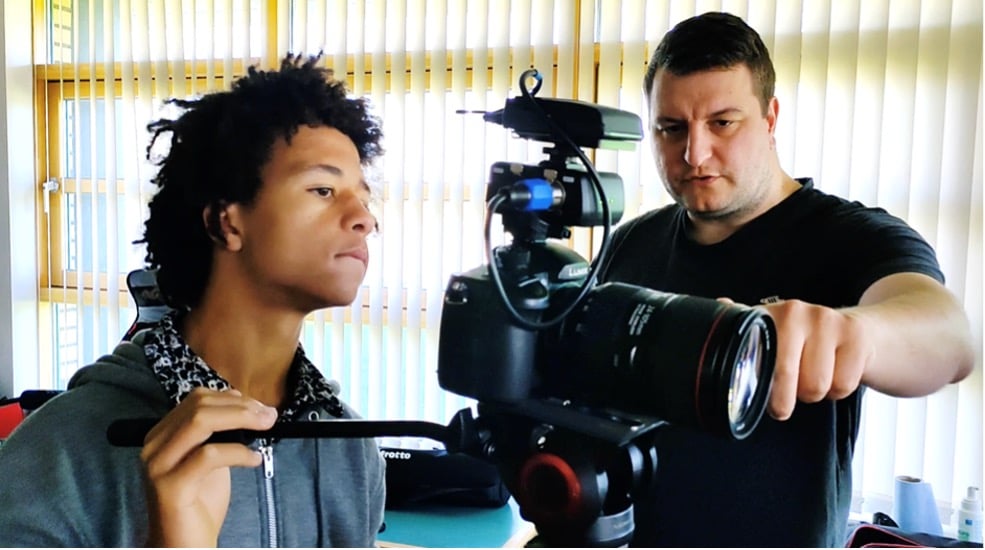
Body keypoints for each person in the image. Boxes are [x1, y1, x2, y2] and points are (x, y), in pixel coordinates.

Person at [596, 12, 975, 547]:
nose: (694, 154)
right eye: (671, 128)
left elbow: (948, 339)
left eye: (723, 123)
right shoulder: (629, 242)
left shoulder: (848, 236)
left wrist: (852, 335)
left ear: (770, 119)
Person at [0, 53, 386, 547]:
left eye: (363, 196)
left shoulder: (350, 451)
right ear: (226, 222)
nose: (363, 219)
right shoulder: (63, 451)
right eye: (322, 189)